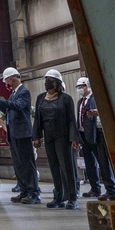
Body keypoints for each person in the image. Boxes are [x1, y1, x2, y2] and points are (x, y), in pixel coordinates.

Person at [32, 69, 81, 210]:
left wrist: (74, 139)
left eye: (51, 80)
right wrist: (36, 136)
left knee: (66, 167)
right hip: (49, 137)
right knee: (53, 166)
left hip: (63, 137)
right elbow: (38, 118)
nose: (48, 82)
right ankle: (58, 197)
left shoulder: (66, 99)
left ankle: (72, 198)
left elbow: (72, 120)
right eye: (46, 79)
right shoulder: (41, 98)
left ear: (58, 83)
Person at [0, 67, 40, 204]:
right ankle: (24, 190)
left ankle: (33, 193)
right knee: (18, 164)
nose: (5, 83)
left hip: (23, 134)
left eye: (6, 80)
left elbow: (18, 106)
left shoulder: (23, 92)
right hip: (14, 134)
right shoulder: (14, 93)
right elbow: (9, 109)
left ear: (12, 78)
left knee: (27, 164)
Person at [75, 77, 115, 201]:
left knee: (103, 162)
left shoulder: (95, 99)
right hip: (84, 135)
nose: (80, 89)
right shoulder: (80, 102)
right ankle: (95, 188)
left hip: (96, 135)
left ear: (88, 86)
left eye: (82, 86)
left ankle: (111, 190)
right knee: (89, 163)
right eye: (78, 87)